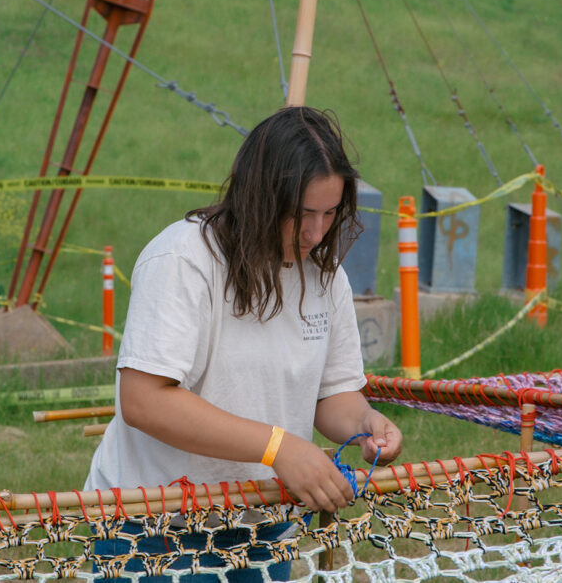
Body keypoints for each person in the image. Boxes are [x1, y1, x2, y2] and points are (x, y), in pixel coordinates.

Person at [85, 106, 403, 580]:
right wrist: (278, 448)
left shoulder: (326, 277)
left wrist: (364, 422)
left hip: (261, 527)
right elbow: (144, 400)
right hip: (150, 526)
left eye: (330, 213)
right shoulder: (183, 260)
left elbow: (330, 394)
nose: (316, 232)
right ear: (260, 197)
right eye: (302, 214)